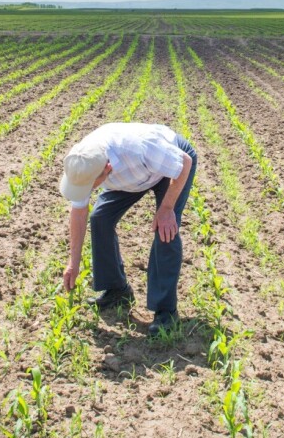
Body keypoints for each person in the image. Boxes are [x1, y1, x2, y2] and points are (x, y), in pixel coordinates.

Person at [60, 122, 196, 337]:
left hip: (170, 170)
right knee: (100, 218)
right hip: (132, 178)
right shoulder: (83, 162)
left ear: (107, 170)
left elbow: (184, 162)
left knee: (165, 229)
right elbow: (79, 211)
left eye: (91, 186)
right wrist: (73, 262)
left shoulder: (139, 147)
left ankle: (166, 311)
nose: (87, 190)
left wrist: (167, 208)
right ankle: (117, 290)